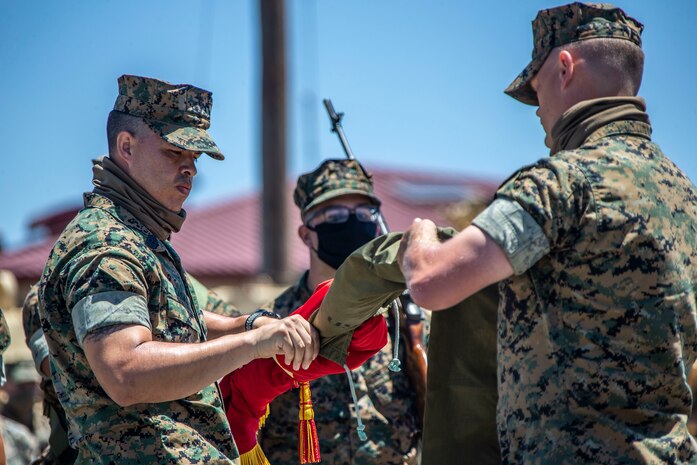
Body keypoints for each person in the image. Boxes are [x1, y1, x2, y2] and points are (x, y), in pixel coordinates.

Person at [395, 3, 697, 464]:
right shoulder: (685, 196)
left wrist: (419, 237)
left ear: (563, 66)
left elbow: (432, 282)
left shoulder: (562, 183)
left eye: (535, 91)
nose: (538, 112)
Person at [37, 75, 318, 465]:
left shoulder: (136, 237)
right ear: (126, 146)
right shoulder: (104, 245)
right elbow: (126, 371)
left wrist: (248, 324)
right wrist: (252, 346)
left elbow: (162, 318)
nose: (191, 169)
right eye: (174, 153)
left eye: (195, 159)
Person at [257, 159, 420, 465]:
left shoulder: (404, 317)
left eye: (363, 213)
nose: (352, 223)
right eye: (334, 215)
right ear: (306, 234)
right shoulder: (273, 322)